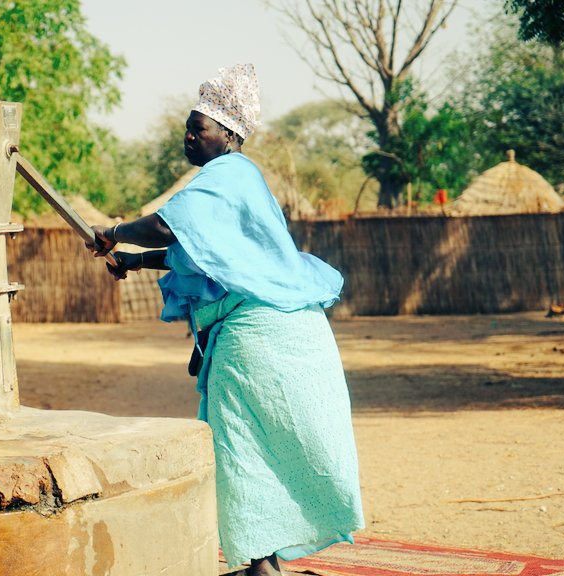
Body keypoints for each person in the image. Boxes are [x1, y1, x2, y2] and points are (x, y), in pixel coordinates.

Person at [88, 65, 364, 576]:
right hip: (283, 329)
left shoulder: (229, 175)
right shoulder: (235, 183)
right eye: (188, 128)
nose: (190, 136)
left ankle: (261, 566)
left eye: (201, 127)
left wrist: (115, 232)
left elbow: (171, 226)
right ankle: (264, 563)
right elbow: (202, 252)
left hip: (261, 334)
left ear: (230, 135)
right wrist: (130, 258)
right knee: (256, 444)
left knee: (239, 443)